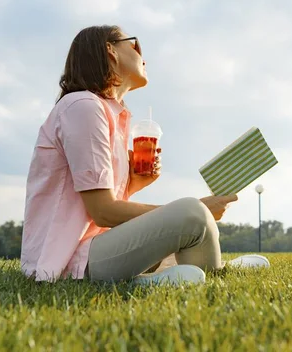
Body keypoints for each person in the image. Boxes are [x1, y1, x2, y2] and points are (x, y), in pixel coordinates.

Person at [20, 25, 269, 285]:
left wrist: (133, 183)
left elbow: (95, 205)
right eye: (135, 44)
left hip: (97, 247)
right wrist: (194, 211)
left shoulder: (108, 113)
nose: (143, 55)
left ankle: (175, 274)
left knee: (189, 224)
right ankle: (181, 274)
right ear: (110, 50)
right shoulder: (83, 106)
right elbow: (103, 211)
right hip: (69, 259)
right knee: (192, 213)